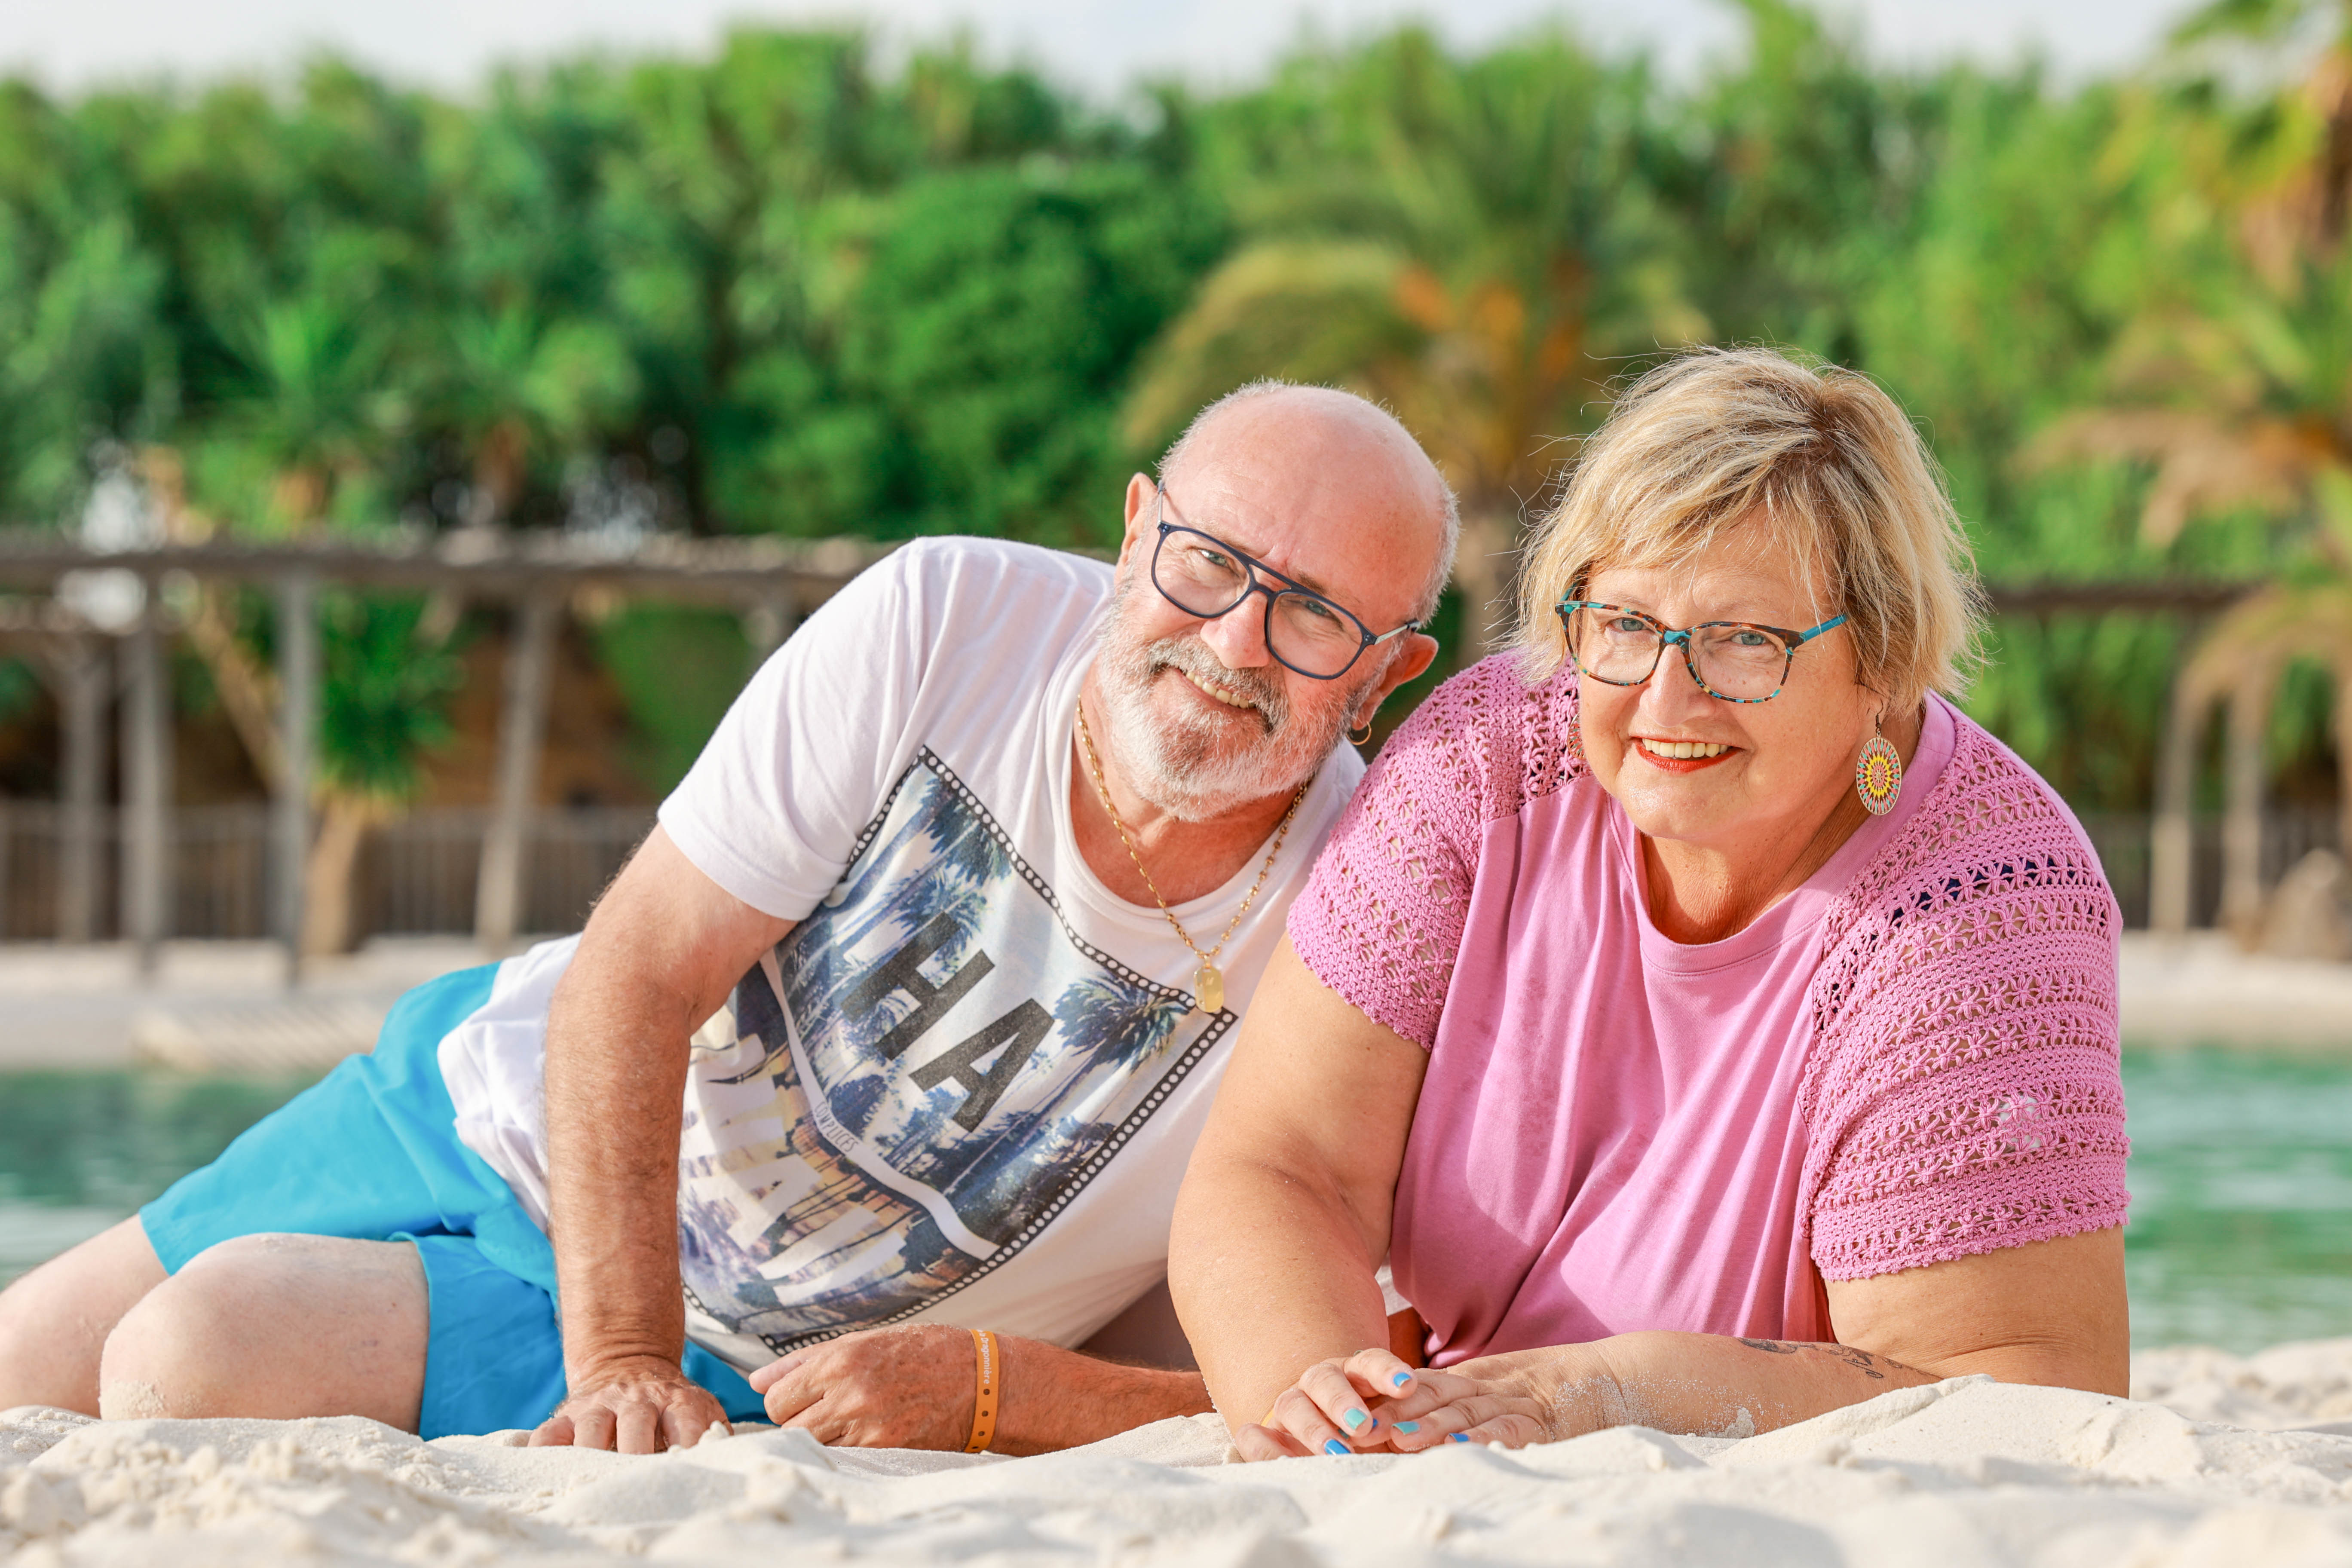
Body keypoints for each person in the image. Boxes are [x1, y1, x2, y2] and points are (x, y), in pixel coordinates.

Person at [0, 382, 1452, 1455]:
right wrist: (617, 1356)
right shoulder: (950, 619)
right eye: (1209, 560)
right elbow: (639, 968)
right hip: (486, 1101)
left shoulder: (1367, 913)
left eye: (1315, 616)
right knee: (22, 1368)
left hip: (745, 1351)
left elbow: (1325, 1359)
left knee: (187, 1362)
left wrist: (997, 1394)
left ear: (1387, 675)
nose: (1233, 639)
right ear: (1137, 532)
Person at [1169, 347, 2131, 1460]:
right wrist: (1331, 1420)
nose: (1667, 699)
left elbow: (2026, 1392)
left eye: (1746, 642)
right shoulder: (1483, 762)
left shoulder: (1982, 912)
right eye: (1623, 624)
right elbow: (1284, 1167)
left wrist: (1606, 1393)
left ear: (1883, 660)